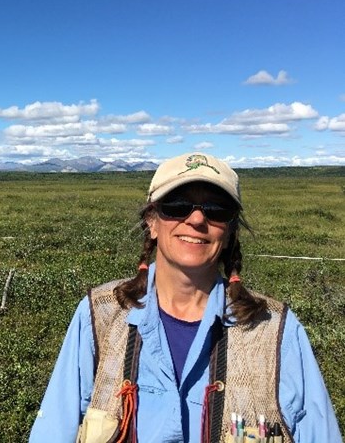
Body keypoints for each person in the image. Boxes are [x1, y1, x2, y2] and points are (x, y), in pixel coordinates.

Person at [29, 153, 341, 443]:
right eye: (177, 205)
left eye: (217, 210)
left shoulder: (275, 330)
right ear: (152, 221)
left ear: (230, 231)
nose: (196, 220)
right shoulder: (99, 317)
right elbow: (53, 429)